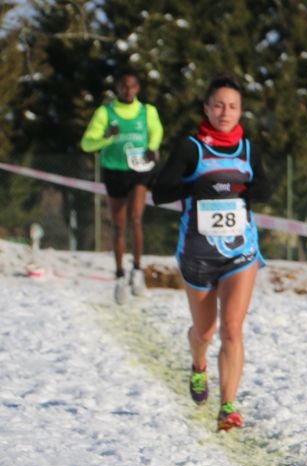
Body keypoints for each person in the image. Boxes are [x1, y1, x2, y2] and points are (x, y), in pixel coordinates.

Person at [151, 75, 272, 432]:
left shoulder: (248, 149)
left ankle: (229, 406)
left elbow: (264, 188)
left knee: (232, 329)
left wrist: (244, 188)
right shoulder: (191, 148)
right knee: (205, 332)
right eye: (218, 105)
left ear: (240, 110)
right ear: (207, 108)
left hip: (241, 252)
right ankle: (199, 364)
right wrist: (198, 184)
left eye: (232, 106)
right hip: (198, 253)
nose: (225, 112)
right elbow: (160, 191)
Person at [80, 68, 163, 304]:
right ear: (117, 88)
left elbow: (156, 131)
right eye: (124, 86)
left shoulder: (147, 111)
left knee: (136, 217)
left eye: (133, 86)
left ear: (138, 88)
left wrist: (152, 147)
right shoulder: (105, 112)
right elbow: (87, 143)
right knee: (119, 226)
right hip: (114, 171)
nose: (128, 90)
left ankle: (137, 270)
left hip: (139, 171)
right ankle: (119, 276)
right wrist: (106, 135)